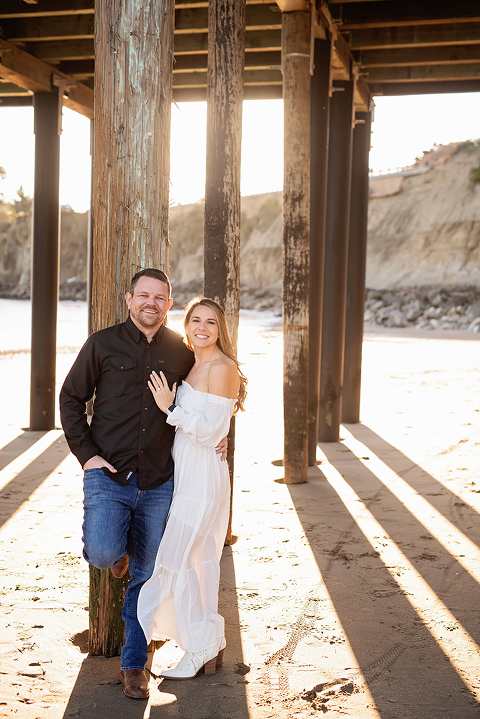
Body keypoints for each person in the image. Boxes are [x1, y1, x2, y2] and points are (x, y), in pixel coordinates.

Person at [59, 269, 227, 700]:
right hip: (109, 475)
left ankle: (135, 664)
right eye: (144, 295)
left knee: (147, 577)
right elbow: (70, 398)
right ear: (129, 298)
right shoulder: (102, 343)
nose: (151, 303)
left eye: (161, 297)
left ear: (169, 304)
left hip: (160, 481)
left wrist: (222, 436)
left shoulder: (182, 349)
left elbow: (208, 397)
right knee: (102, 551)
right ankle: (123, 553)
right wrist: (87, 456)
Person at [137, 296, 247, 680]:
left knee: (181, 559)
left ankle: (200, 643)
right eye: (195, 320)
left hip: (203, 479)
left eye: (211, 322)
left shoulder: (222, 367)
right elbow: (215, 422)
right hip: (187, 475)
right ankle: (205, 642)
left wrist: (170, 407)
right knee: (194, 561)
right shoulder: (193, 362)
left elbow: (213, 431)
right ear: (185, 326)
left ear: (221, 330)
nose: (202, 327)